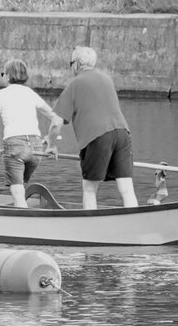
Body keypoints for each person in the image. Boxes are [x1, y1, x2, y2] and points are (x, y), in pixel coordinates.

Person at [51, 45, 138, 209]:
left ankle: (89, 226)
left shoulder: (75, 84)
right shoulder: (107, 79)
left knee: (89, 189)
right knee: (126, 188)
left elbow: (56, 123)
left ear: (76, 64)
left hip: (97, 136)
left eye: (71, 64)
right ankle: (134, 222)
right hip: (122, 133)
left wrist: (51, 145)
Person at [0, 60, 62, 208]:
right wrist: (50, 140)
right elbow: (56, 119)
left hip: (15, 146)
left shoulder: (0, 94)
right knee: (21, 187)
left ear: (7, 76)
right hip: (36, 147)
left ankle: (25, 221)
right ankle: (22, 208)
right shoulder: (30, 93)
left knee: (17, 191)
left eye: (3, 73)